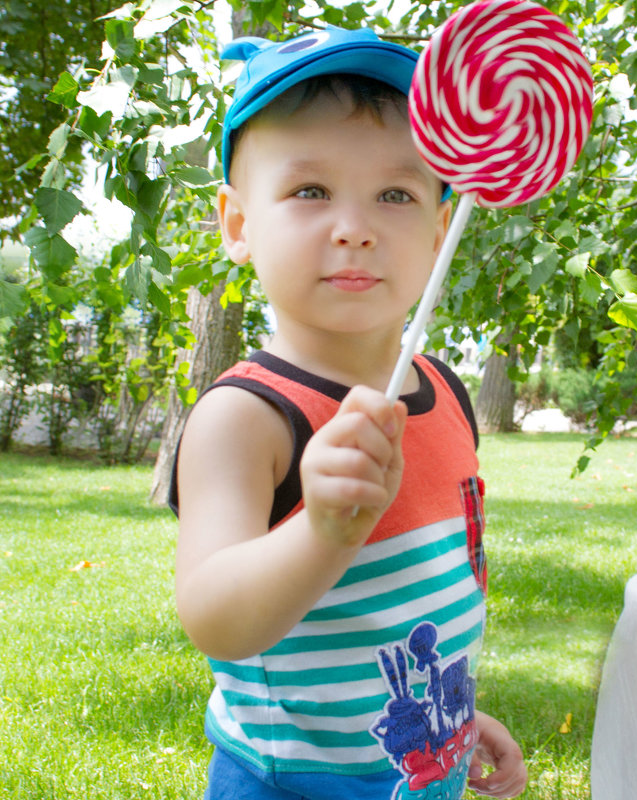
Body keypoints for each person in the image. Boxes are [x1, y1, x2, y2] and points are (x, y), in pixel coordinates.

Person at [169, 26, 526, 800]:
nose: (356, 226)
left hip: (417, 764)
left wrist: (455, 719)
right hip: (291, 782)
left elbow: (409, 604)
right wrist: (321, 529)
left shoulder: (443, 392)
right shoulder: (248, 417)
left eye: (396, 194)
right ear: (237, 225)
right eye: (310, 191)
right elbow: (214, 617)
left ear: (439, 233)